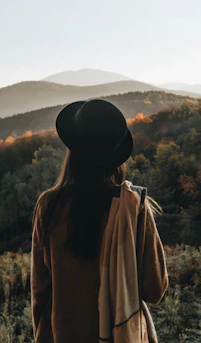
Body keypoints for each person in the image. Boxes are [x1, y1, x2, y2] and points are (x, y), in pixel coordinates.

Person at [31, 99, 168, 342]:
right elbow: (154, 289)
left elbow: (40, 289)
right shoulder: (133, 207)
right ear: (116, 157)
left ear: (72, 151)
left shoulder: (49, 206)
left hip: (62, 333)